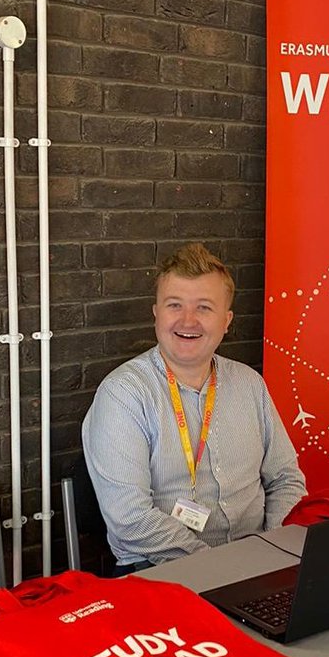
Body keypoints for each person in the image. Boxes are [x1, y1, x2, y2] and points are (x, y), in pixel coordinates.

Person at [82, 243, 306, 569]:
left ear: (226, 321)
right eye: (175, 305)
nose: (188, 321)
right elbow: (130, 519)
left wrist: (273, 550)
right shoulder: (124, 395)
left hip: (259, 558)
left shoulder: (249, 384)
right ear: (157, 313)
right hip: (162, 569)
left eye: (204, 307)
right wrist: (219, 567)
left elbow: (286, 479)